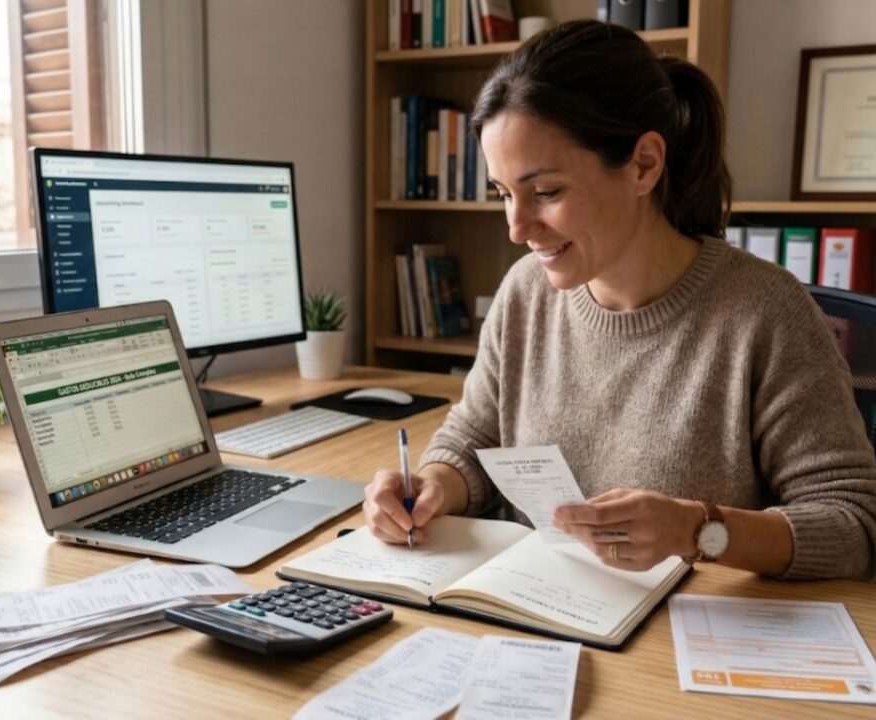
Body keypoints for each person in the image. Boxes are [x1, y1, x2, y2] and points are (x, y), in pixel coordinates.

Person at [362, 19, 876, 581]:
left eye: (547, 192)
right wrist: (432, 484)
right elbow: (475, 439)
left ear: (644, 165)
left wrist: (696, 530)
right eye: (504, 194)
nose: (516, 228)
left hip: (685, 647)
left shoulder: (766, 313)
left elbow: (853, 525)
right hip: (540, 616)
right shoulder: (524, 293)